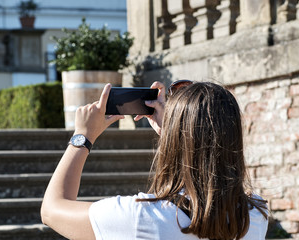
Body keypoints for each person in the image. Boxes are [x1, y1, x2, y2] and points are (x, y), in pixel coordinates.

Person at [41, 80, 269, 240]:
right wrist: (173, 134)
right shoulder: (255, 213)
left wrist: (83, 137)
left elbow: (52, 210)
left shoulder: (142, 217)